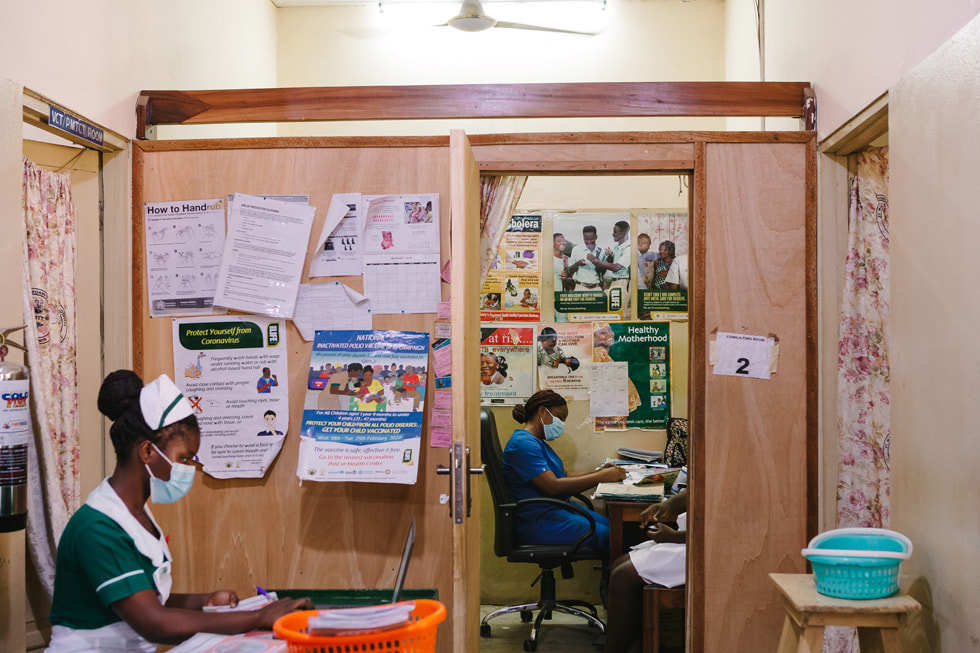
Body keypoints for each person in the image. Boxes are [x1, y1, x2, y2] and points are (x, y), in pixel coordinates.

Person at [46, 371, 312, 652]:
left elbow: (146, 599)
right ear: (147, 451)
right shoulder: (98, 527)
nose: (189, 469)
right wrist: (258, 618)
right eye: (183, 458)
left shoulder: (136, 516)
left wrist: (205, 601)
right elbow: (154, 622)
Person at [502, 390, 626, 556]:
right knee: (615, 537)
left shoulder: (536, 442)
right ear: (541, 411)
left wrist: (599, 472)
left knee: (619, 530)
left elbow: (563, 475)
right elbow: (553, 487)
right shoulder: (523, 444)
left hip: (555, 511)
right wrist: (601, 477)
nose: (561, 424)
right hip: (537, 522)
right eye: (559, 417)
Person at [604, 489, 687, 653]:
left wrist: (674, 537)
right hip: (690, 538)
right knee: (620, 563)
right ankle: (633, 645)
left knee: (623, 577)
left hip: (705, 548)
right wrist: (666, 505)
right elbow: (696, 487)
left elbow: (720, 531)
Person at [592, 220, 631, 294]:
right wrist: (609, 256)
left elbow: (616, 267)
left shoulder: (629, 249)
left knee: (620, 305)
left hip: (623, 282)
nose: (613, 234)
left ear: (623, 233)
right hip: (615, 281)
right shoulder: (617, 246)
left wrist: (597, 261)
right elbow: (611, 263)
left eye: (615, 232)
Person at [566, 225, 603, 292]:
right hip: (580, 287)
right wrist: (577, 264)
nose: (589, 242)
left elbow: (603, 272)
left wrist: (596, 261)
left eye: (591, 239)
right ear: (583, 237)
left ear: (596, 237)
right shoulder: (576, 250)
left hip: (596, 288)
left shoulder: (601, 251)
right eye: (586, 239)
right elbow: (569, 271)